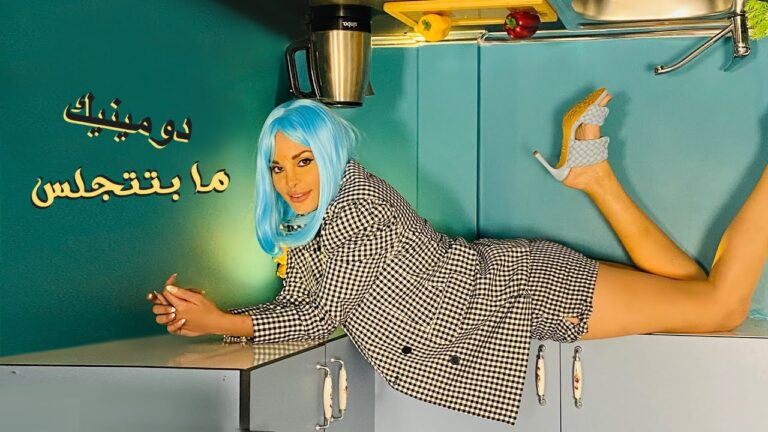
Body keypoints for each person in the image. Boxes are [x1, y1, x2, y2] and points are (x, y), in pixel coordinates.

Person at [148, 89, 768, 425]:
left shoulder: (356, 206)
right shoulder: (314, 224)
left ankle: (595, 174)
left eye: (303, 160)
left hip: (531, 292)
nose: (290, 180)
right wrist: (211, 319)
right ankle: (592, 174)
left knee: (721, 307)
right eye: (277, 166)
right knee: (693, 290)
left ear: (329, 155)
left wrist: (220, 320)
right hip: (512, 290)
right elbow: (304, 302)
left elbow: (317, 315)